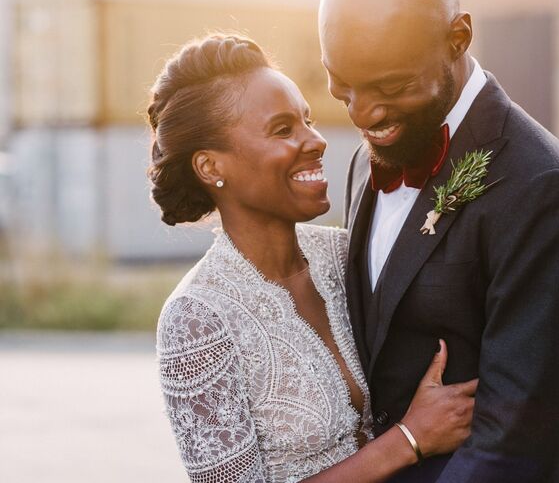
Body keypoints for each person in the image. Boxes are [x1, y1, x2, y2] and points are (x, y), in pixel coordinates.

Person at [319, 0, 559, 482]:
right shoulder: (366, 162)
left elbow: (515, 449)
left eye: (391, 86)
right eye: (343, 85)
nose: (363, 114)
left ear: (458, 38)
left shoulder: (546, 191)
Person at [147, 34, 477, 483]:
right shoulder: (198, 319)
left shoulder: (345, 254)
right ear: (211, 167)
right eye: (283, 130)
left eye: (308, 120)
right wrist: (410, 440)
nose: (316, 141)